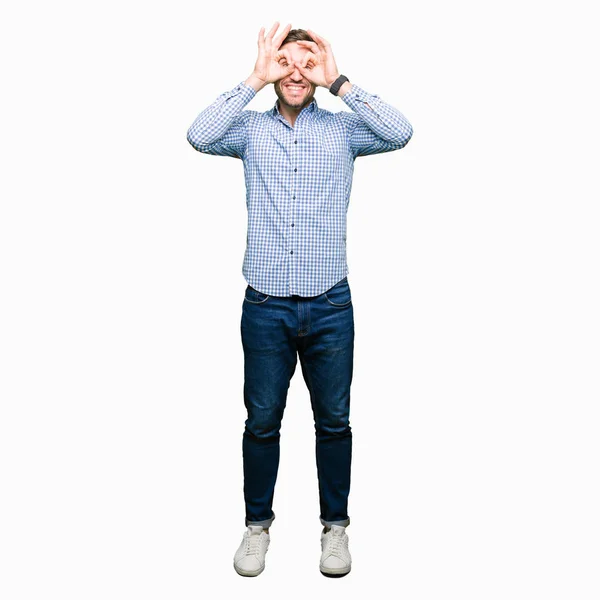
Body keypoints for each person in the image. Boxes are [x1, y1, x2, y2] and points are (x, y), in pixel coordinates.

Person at [186, 22, 413, 578]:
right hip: (265, 308)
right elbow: (197, 134)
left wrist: (339, 82)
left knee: (334, 421)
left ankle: (335, 529)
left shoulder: (343, 131)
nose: (295, 72)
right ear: (273, 68)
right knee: (262, 421)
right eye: (285, 62)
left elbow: (402, 131)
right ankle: (256, 526)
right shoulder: (249, 131)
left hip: (331, 306)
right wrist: (253, 79)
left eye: (305, 62)